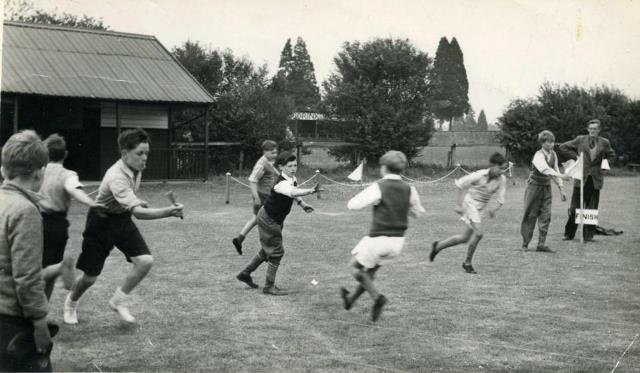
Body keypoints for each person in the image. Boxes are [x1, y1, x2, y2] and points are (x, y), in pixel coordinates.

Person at [63, 128, 184, 325]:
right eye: (139, 153)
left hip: (121, 219)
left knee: (145, 261)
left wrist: (136, 200)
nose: (145, 158)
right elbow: (138, 214)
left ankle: (119, 300)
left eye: (146, 153)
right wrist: (169, 211)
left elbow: (130, 202)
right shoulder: (116, 176)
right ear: (124, 153)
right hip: (101, 222)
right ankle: (71, 303)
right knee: (90, 278)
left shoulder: (135, 169)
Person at [340, 151, 425, 322]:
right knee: (369, 273)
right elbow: (417, 213)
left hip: (378, 238)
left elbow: (353, 205)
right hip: (397, 243)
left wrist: (371, 199)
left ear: (384, 168)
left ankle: (378, 298)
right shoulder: (410, 189)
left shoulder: (379, 186)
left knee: (355, 268)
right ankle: (350, 300)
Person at [0, 130, 53, 372]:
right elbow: (26, 276)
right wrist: (40, 322)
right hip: (13, 321)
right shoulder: (26, 211)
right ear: (40, 172)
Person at [236, 152, 319, 295]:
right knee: (277, 252)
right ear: (281, 167)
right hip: (269, 219)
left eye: (295, 165)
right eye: (290, 166)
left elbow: (293, 194)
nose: (293, 168)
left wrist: (303, 204)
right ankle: (269, 286)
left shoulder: (291, 178)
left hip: (273, 219)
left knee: (267, 250)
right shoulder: (281, 183)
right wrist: (311, 191)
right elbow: (292, 192)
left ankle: (245, 273)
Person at [38, 134, 103, 300]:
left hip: (36, 221)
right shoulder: (68, 174)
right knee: (49, 273)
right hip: (58, 225)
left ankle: (37, 315)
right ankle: (43, 311)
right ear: (65, 154)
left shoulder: (39, 171)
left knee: (32, 272)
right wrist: (92, 203)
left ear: (45, 154)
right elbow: (74, 189)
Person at [429, 153, 508, 274]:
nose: (503, 171)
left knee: (465, 238)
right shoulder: (479, 175)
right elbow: (460, 184)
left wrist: (494, 209)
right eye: (501, 168)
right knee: (479, 233)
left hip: (480, 208)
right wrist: (458, 204)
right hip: (469, 203)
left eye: (504, 168)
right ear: (492, 166)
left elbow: (501, 199)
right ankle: (467, 263)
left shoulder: (502, 180)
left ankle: (438, 246)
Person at [558, 119, 616, 242]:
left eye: (595, 129)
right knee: (575, 208)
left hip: (595, 179)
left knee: (591, 208)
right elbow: (563, 147)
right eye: (590, 128)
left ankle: (588, 235)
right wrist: (576, 158)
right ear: (587, 129)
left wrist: (604, 166)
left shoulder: (605, 142)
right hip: (581, 178)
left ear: (599, 130)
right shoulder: (580, 139)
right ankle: (569, 234)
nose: (592, 131)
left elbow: (611, 155)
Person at [520, 130, 571, 252]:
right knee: (530, 215)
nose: (552, 144)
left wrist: (561, 189)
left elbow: (555, 170)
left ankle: (541, 244)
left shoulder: (553, 154)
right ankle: (525, 244)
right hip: (534, 187)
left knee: (546, 216)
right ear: (543, 143)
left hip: (546, 188)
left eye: (553, 142)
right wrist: (562, 175)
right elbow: (545, 170)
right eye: (549, 142)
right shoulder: (538, 156)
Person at [232, 140, 279, 255]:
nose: (275, 155)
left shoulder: (268, 161)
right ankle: (268, 248)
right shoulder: (261, 165)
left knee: (256, 218)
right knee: (269, 221)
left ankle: (239, 239)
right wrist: (256, 198)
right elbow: (252, 181)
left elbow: (274, 172)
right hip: (263, 196)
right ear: (265, 152)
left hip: (265, 195)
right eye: (272, 152)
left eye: (276, 152)